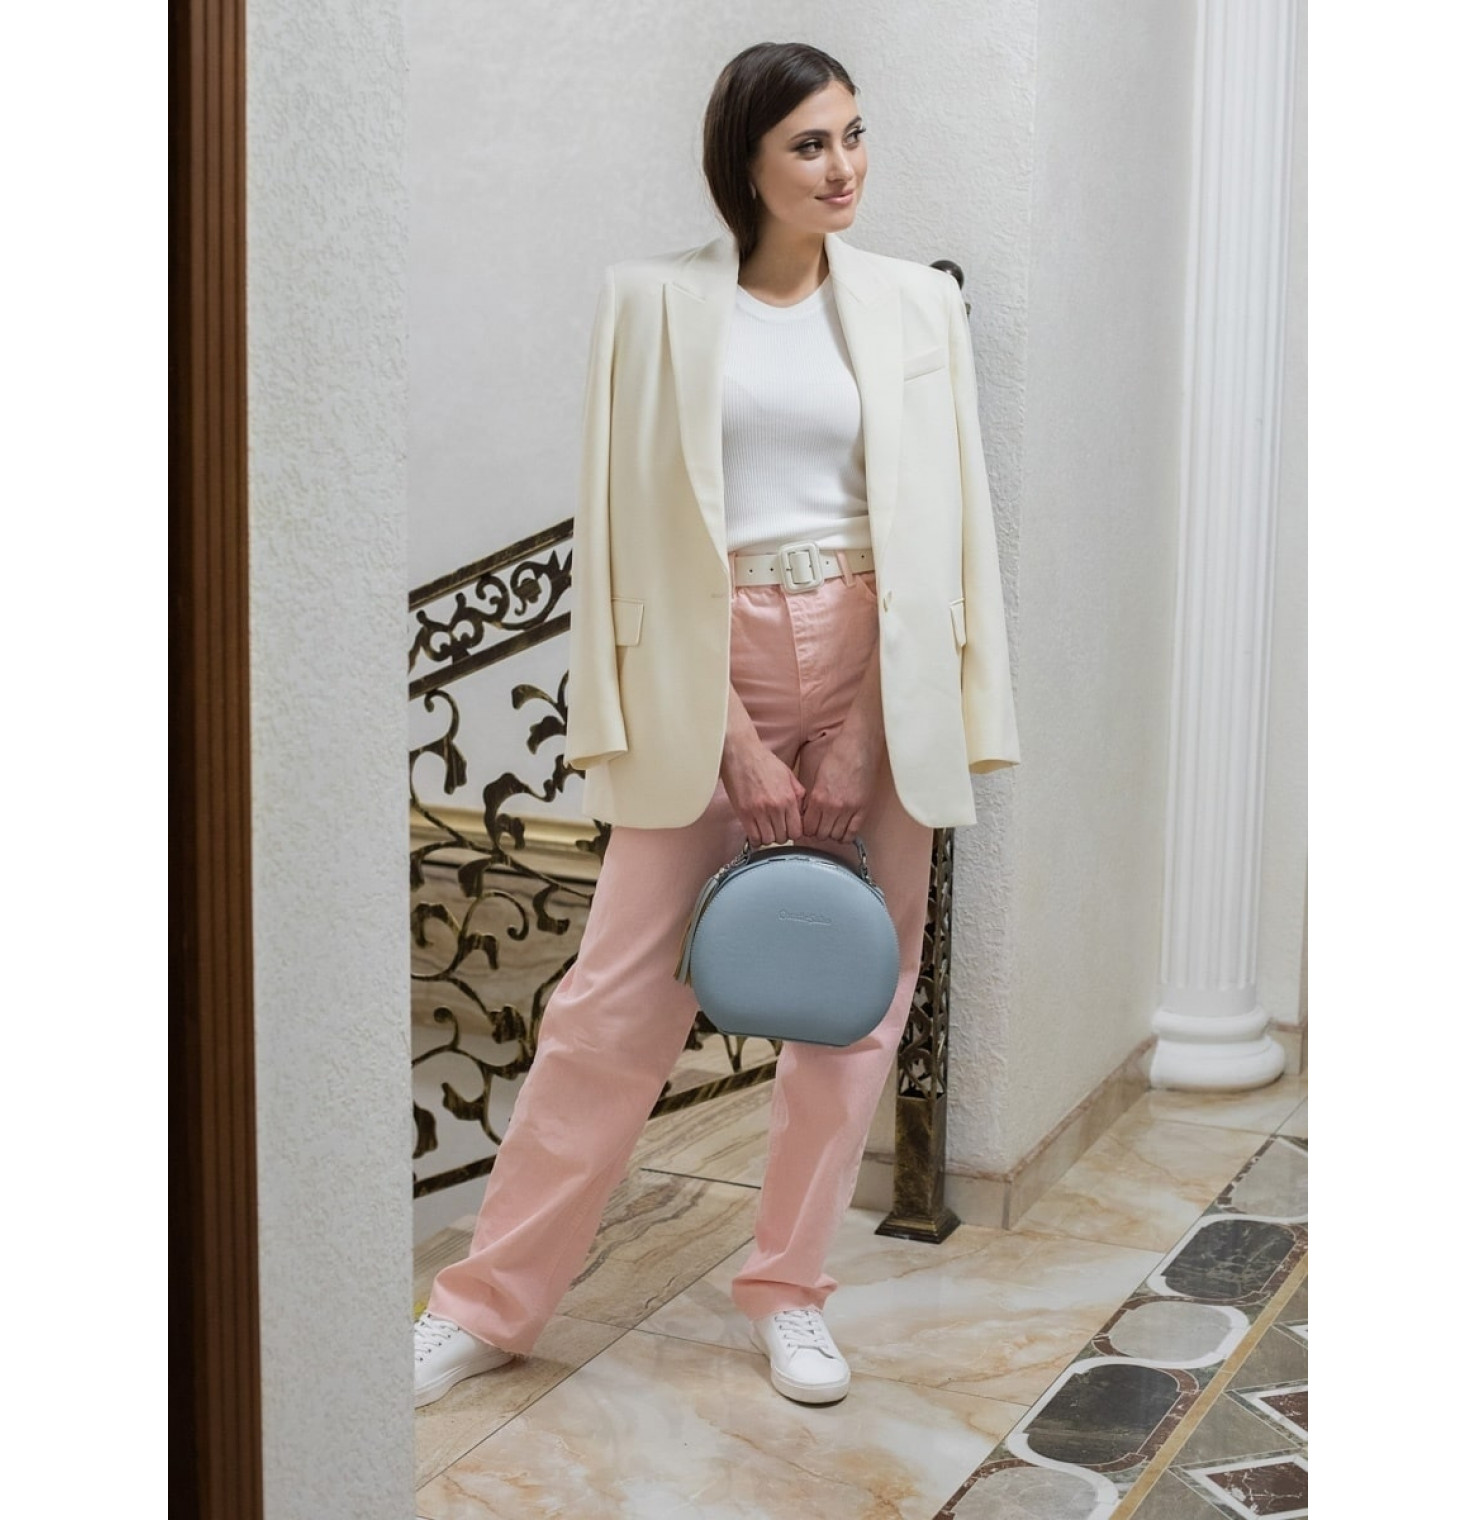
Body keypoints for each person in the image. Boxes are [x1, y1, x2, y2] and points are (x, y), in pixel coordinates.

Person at [413, 40, 1019, 1410]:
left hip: (875, 656)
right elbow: (624, 533)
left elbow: (948, 527)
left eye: (854, 134)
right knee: (610, 1005)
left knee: (855, 998)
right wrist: (732, 739)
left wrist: (868, 728)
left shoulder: (918, 306)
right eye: (810, 143)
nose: (844, 166)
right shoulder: (651, 303)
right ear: (743, 159)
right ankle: (485, 1303)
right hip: (712, 663)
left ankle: (791, 1291)